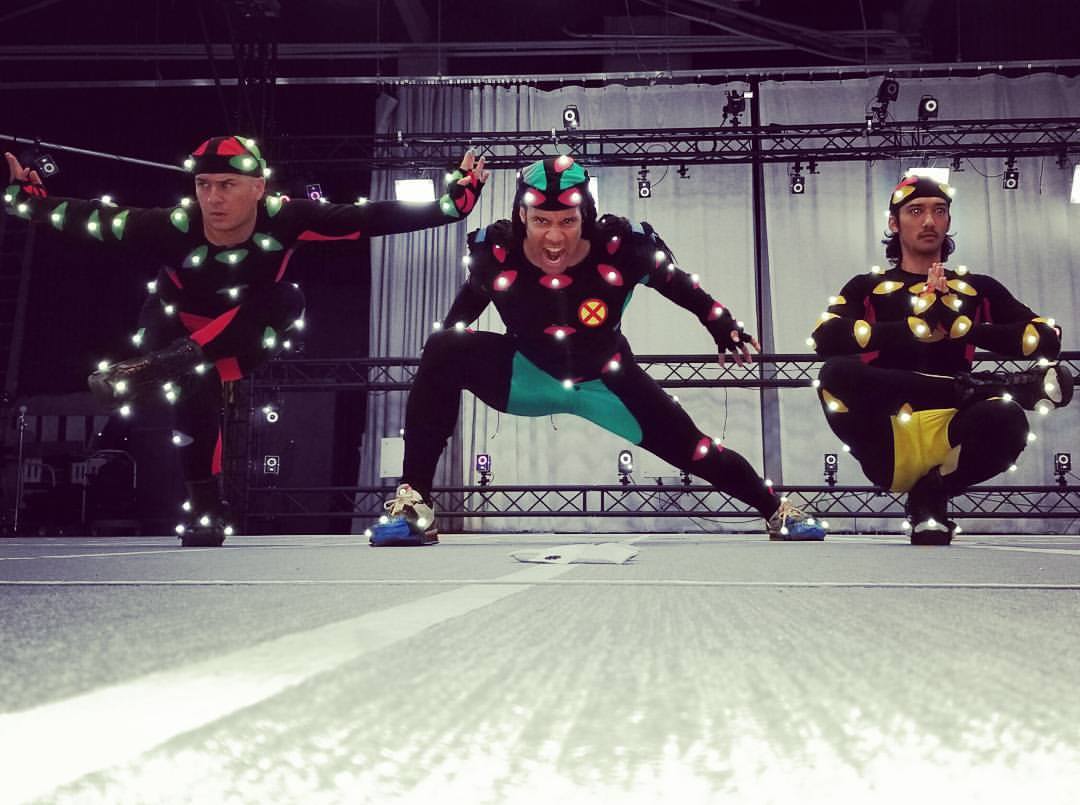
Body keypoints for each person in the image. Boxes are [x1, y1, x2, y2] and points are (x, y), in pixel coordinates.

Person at [3, 136, 487, 546]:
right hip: (172, 329)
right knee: (195, 397)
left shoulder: (286, 218)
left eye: (227, 185)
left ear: (258, 188)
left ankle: (168, 366)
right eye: (204, 185)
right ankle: (205, 511)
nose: (213, 198)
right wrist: (26, 200)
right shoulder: (173, 226)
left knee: (287, 297)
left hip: (244, 331)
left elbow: (371, 218)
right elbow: (94, 218)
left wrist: (452, 205)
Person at [368, 154, 826, 546]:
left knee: (698, 450)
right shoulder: (497, 254)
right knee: (442, 346)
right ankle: (415, 504)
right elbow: (463, 311)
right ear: (522, 216)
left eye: (567, 221)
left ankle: (776, 510)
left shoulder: (621, 249)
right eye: (541, 221)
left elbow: (676, 282)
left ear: (585, 216)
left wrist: (720, 322)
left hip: (608, 382)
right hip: (526, 375)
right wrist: (439, 361)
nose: (554, 237)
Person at [810, 176, 1073, 545]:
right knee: (834, 374)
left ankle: (931, 494)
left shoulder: (976, 287)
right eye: (916, 211)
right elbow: (825, 338)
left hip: (956, 427)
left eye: (939, 211)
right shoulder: (866, 286)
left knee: (1009, 418)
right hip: (886, 434)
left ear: (949, 221)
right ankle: (984, 387)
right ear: (894, 222)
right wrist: (912, 328)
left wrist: (963, 328)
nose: (929, 221)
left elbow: (1047, 339)